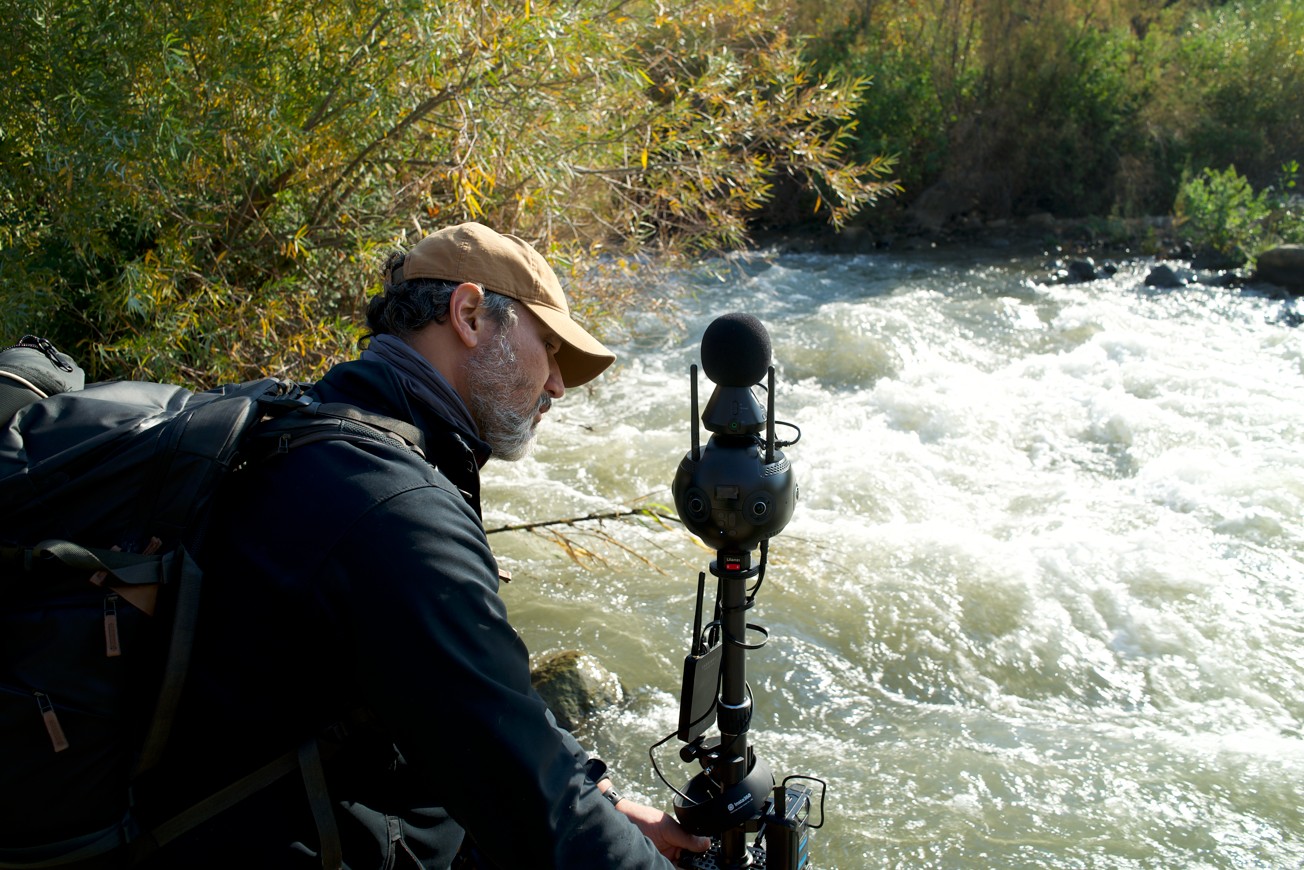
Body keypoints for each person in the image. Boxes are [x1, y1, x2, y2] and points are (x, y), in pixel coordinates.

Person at [139, 223, 710, 868]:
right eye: (548, 346)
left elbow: (476, 699)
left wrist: (598, 796)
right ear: (469, 314)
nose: (555, 384)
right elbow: (539, 811)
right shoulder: (390, 509)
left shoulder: (303, 423)